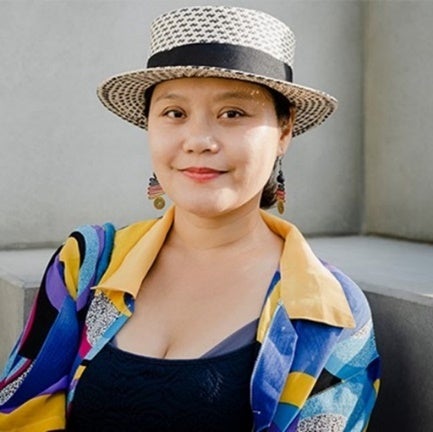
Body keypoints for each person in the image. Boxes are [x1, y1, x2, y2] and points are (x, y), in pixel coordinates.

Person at [0, 5, 380, 432]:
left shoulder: (329, 314)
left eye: (233, 113)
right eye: (174, 113)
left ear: (284, 130)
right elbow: (20, 414)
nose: (198, 141)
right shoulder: (87, 263)